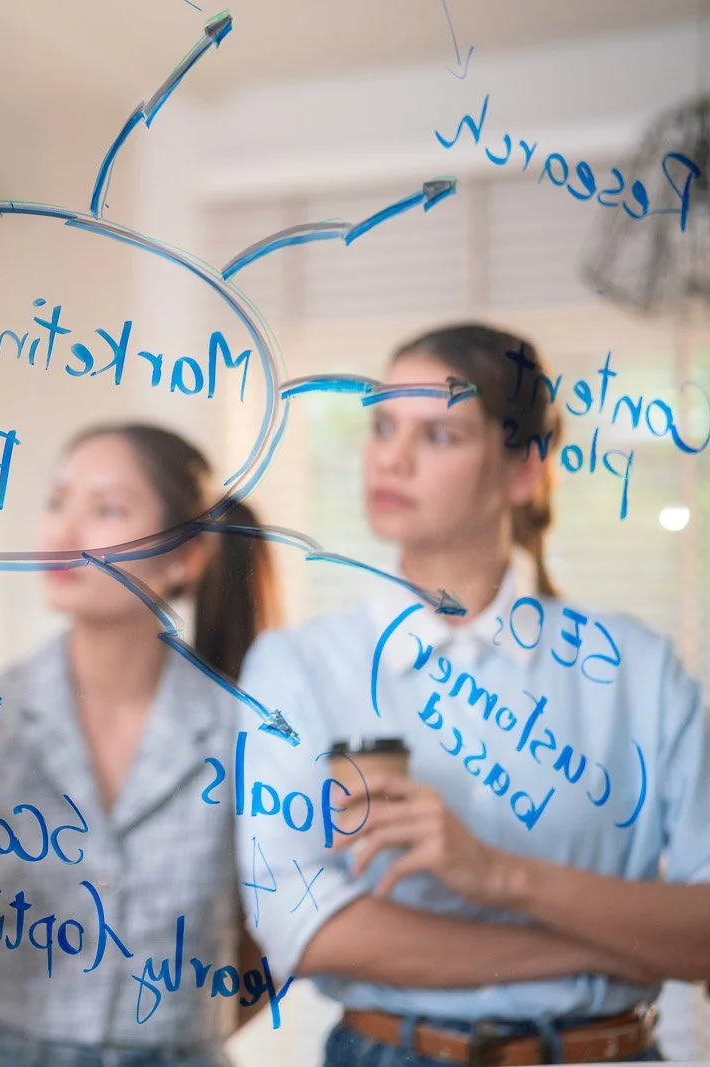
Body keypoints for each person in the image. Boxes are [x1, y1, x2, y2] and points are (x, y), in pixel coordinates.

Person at [238, 323, 710, 1067]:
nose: (391, 456)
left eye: (441, 435)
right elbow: (306, 928)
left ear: (524, 469)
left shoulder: (641, 671)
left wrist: (497, 875)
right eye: (384, 425)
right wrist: (598, 946)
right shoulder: (296, 667)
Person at [0, 424, 283, 1067]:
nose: (64, 532)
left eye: (107, 508)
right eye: (58, 502)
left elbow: (276, 941)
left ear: (185, 556)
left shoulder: (246, 735)